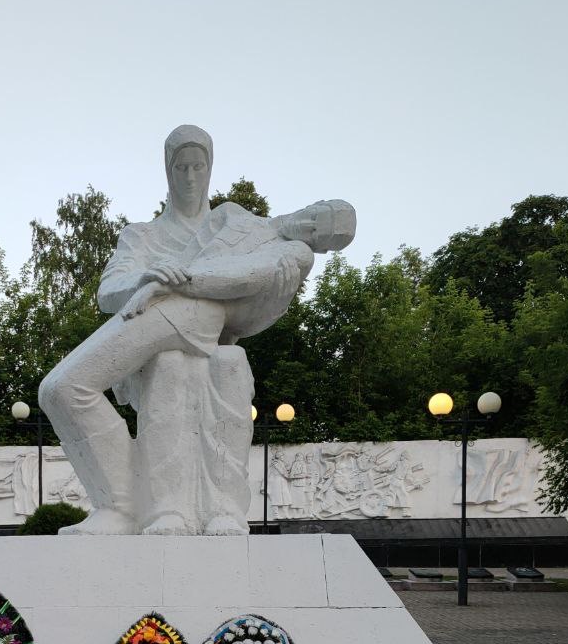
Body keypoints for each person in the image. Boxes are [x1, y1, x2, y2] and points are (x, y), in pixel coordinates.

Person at [38, 124, 355, 535]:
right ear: (168, 168)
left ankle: (152, 510)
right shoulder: (189, 226)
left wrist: (181, 282)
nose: (190, 177)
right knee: (66, 388)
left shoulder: (288, 252)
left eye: (198, 167)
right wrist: (143, 278)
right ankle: (121, 505)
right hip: (154, 322)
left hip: (196, 325)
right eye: (182, 166)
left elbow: (245, 296)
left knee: (207, 363)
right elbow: (109, 292)